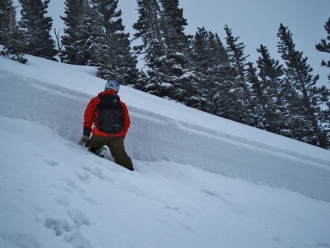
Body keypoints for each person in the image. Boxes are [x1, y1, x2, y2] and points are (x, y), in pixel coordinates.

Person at [79, 79, 134, 171]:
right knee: (121, 156)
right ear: (117, 90)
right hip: (117, 136)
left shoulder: (95, 101)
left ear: (105, 88)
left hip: (100, 134)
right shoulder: (121, 104)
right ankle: (130, 170)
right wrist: (122, 134)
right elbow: (127, 121)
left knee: (88, 148)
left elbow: (88, 118)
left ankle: (96, 149)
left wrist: (86, 133)